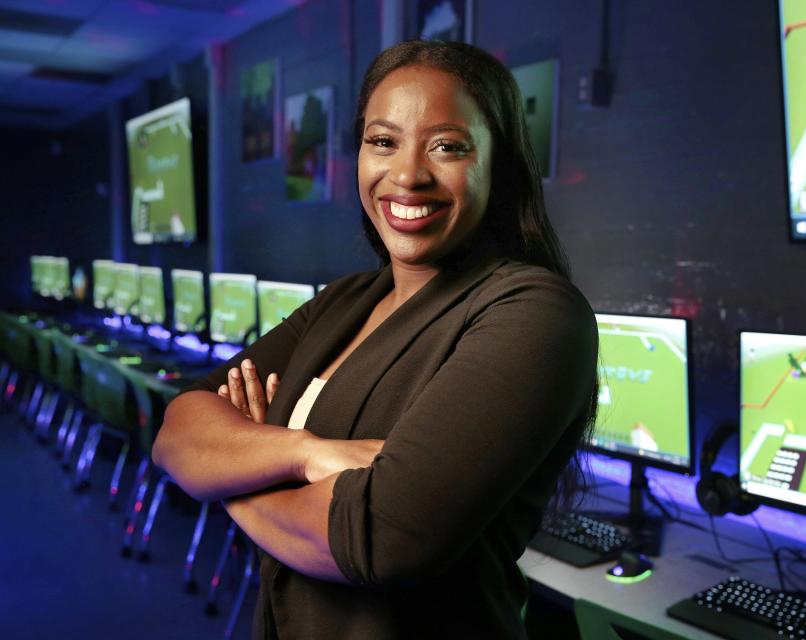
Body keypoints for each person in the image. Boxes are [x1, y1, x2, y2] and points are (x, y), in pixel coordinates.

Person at [153, 40, 598, 639]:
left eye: (447, 146)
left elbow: (381, 539)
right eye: (382, 141)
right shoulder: (342, 302)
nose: (408, 174)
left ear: (501, 163)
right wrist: (302, 454)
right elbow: (176, 433)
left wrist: (231, 473)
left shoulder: (534, 313)